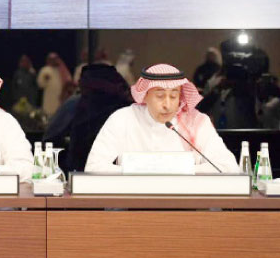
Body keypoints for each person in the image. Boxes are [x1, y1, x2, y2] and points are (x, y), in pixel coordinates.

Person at [85, 64, 239, 174]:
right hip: (131, 209)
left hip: (186, 209)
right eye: (159, 95)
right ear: (145, 95)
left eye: (174, 96)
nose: (167, 104)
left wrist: (176, 170)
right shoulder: (122, 119)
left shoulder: (196, 122)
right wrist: (140, 170)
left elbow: (228, 167)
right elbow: (93, 168)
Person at [37, 53, 72, 117]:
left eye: (55, 59)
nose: (53, 61)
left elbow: (69, 81)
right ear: (48, 60)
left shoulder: (62, 70)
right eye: (51, 59)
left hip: (61, 98)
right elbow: (40, 85)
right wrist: (45, 79)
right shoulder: (45, 70)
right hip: (49, 99)